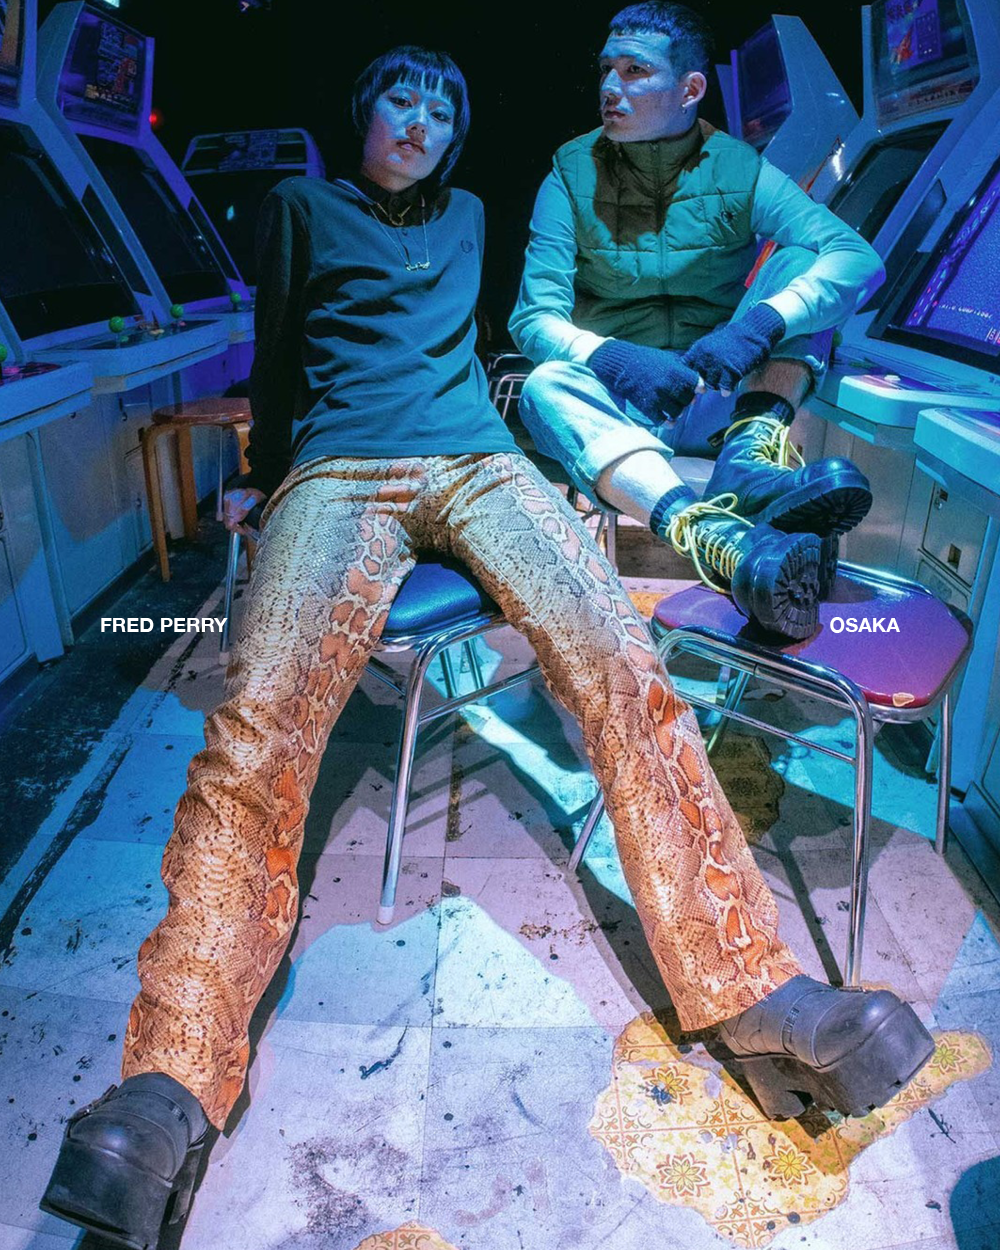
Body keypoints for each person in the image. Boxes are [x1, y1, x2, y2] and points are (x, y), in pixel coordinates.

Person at [40, 44, 933, 1250]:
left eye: (442, 105)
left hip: (478, 463)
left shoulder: (466, 215)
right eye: (400, 96)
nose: (420, 118)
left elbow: (476, 346)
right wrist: (267, 479)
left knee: (621, 662)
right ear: (363, 110)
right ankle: (169, 1078)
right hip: (340, 468)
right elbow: (278, 351)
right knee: (256, 725)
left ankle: (750, 984)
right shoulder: (299, 206)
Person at [511, 1, 883, 640]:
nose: (610, 87)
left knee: (803, 263)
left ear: (689, 90)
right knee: (543, 386)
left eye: (634, 71)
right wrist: (612, 358)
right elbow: (533, 317)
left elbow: (858, 259)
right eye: (605, 69)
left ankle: (747, 458)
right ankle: (711, 535)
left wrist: (758, 326)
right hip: (623, 406)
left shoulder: (739, 167)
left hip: (722, 397)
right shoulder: (568, 174)